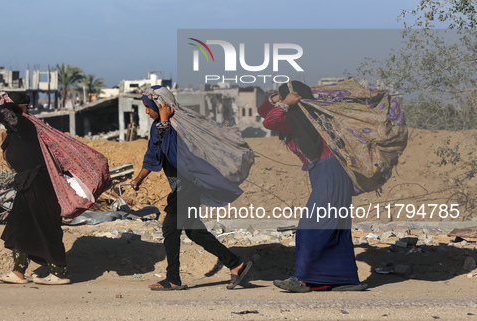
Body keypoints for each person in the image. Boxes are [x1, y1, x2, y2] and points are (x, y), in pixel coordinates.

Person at [131, 85, 252, 291]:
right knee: (194, 231)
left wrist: (165, 121)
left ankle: (173, 279)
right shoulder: (159, 125)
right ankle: (236, 263)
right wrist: (139, 178)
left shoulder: (177, 125)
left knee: (170, 226)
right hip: (179, 186)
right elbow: (154, 154)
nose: (146, 111)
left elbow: (174, 150)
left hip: (188, 184)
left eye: (148, 106)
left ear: (159, 105)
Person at [257, 81, 366, 292]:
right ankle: (344, 279)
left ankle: (303, 279)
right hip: (325, 171)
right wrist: (278, 99)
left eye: (284, 97)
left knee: (310, 227)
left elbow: (268, 122)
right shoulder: (299, 116)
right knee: (335, 227)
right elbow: (263, 111)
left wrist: (284, 104)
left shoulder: (299, 119)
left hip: (330, 171)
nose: (280, 101)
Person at [0, 92, 70, 285]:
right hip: (26, 182)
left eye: (26, 107)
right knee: (20, 225)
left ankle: (59, 273)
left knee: (45, 225)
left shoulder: (24, 124)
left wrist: (11, 104)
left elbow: (3, 111)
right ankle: (18, 272)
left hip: (39, 181)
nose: (27, 110)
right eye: (24, 106)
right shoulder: (16, 131)